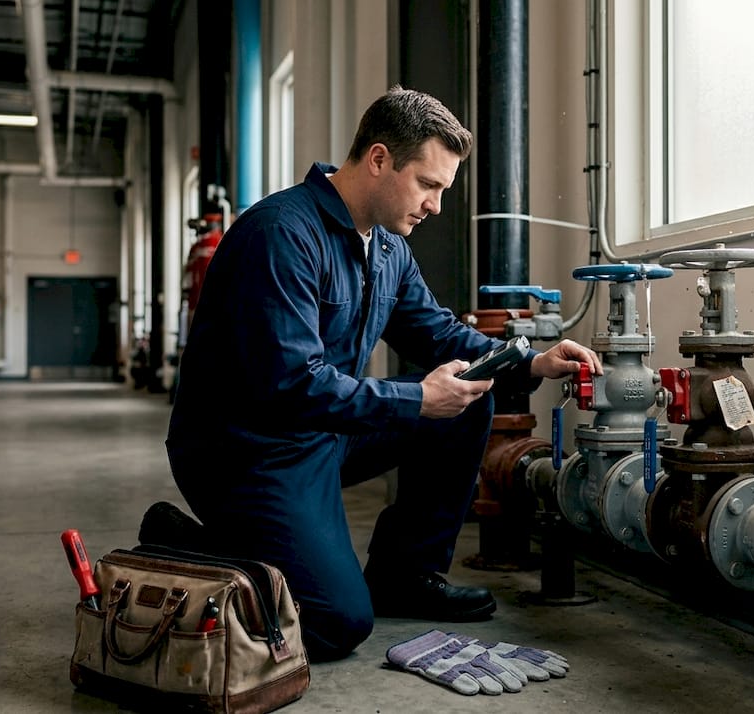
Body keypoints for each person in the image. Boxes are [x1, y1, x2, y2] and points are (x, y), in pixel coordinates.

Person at [149, 85, 601, 662]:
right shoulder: (280, 235)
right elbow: (292, 383)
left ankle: (405, 576)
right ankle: (189, 544)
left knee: (468, 401)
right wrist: (413, 399)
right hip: (247, 452)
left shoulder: (386, 247)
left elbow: (437, 332)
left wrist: (530, 360)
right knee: (335, 623)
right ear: (380, 159)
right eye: (428, 184)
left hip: (321, 433)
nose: (436, 205)